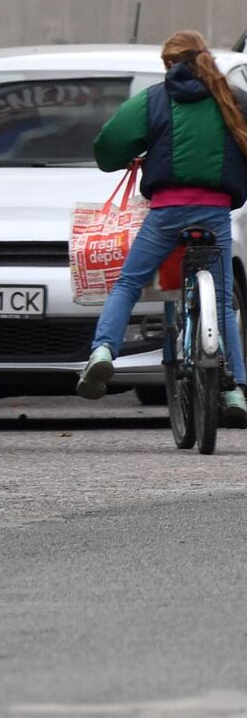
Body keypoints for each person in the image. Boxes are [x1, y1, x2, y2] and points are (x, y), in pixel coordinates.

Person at [76, 31, 247, 428]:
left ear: (169, 64)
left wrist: (124, 158)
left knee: (128, 284)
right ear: (204, 57)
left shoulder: (154, 99)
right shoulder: (233, 98)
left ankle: (102, 353)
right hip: (215, 213)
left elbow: (109, 143)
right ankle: (235, 388)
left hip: (166, 213)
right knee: (224, 301)